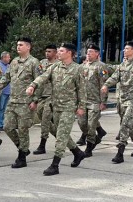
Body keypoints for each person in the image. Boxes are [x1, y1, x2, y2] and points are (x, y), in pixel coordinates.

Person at [26, 43, 87, 175]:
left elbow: (82, 90)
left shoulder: (78, 69)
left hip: (69, 107)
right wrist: (33, 85)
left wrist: (82, 107)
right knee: (61, 133)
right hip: (56, 106)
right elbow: (43, 77)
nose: (58, 53)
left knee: (61, 136)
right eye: (58, 51)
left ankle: (55, 165)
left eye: (61, 51)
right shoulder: (55, 67)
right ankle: (77, 153)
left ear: (69, 53)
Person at [0, 37, 42, 169]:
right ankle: (23, 148)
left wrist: (35, 100)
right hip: (13, 101)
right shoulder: (14, 62)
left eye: (21, 45)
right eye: (17, 45)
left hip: (26, 102)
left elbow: (39, 82)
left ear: (28, 47)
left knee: (23, 130)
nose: (18, 47)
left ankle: (21, 157)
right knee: (7, 127)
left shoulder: (34, 62)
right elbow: (6, 77)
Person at [101, 42, 133, 164]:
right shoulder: (122, 65)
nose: (124, 50)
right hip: (121, 99)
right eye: (124, 49)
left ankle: (120, 152)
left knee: (125, 124)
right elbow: (115, 77)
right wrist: (106, 85)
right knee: (127, 123)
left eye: (127, 49)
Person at [77, 43, 110, 154]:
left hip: (95, 101)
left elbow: (104, 84)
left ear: (97, 53)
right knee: (82, 124)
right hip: (83, 101)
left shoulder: (101, 66)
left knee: (91, 125)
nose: (89, 53)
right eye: (88, 51)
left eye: (91, 51)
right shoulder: (82, 66)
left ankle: (89, 148)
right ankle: (95, 139)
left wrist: (103, 101)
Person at [33, 45, 58, 154]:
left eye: (49, 51)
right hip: (41, 95)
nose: (47, 53)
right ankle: (61, 136)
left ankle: (42, 145)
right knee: (41, 116)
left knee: (45, 120)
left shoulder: (58, 65)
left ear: (55, 53)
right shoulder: (42, 63)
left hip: (52, 96)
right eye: (46, 51)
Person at [0, 51, 12, 131]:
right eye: (7, 57)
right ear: (3, 58)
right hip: (2, 91)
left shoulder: (9, 66)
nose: (9, 59)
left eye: (9, 57)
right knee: (0, 108)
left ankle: (4, 123)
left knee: (6, 109)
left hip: (9, 90)